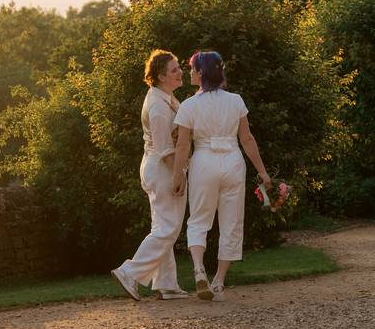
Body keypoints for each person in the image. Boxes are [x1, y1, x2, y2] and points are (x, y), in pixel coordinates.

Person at [171, 51, 271, 302]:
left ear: (201, 73)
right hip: (233, 161)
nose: (190, 73)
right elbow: (246, 139)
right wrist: (263, 172)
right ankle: (218, 282)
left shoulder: (189, 105)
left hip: (204, 161)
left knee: (199, 219)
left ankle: (198, 269)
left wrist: (177, 176)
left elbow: (183, 146)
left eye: (192, 69)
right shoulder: (235, 100)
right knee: (232, 222)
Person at [111, 50, 190, 301]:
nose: (180, 72)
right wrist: (179, 176)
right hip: (162, 168)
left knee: (162, 226)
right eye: (174, 69)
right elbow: (165, 149)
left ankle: (166, 284)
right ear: (160, 75)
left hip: (157, 167)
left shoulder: (166, 98)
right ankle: (130, 273)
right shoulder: (157, 106)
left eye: (179, 67)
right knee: (168, 228)